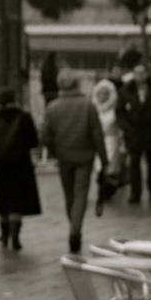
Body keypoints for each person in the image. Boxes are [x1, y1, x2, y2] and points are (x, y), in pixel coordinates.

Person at [43, 78, 109, 253]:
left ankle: (74, 226)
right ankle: (75, 232)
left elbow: (45, 135)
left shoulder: (52, 107)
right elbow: (97, 135)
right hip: (85, 157)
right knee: (80, 194)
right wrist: (104, 159)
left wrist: (55, 151)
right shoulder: (88, 106)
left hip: (64, 157)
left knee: (69, 195)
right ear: (77, 85)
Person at [0, 89, 40, 250]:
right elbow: (34, 141)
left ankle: (4, 233)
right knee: (17, 199)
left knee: (4, 197)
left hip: (1, 164)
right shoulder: (24, 117)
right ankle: (15, 236)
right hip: (21, 164)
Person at [117, 62, 151, 203]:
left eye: (142, 73)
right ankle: (135, 193)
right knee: (134, 164)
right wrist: (126, 128)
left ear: (147, 74)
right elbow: (120, 112)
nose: (140, 76)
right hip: (134, 133)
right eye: (137, 73)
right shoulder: (126, 91)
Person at [90, 76, 124, 215]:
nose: (103, 97)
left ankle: (107, 190)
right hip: (98, 143)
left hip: (112, 141)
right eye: (100, 94)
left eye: (106, 94)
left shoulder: (115, 109)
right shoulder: (93, 109)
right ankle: (102, 189)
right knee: (100, 168)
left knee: (110, 168)